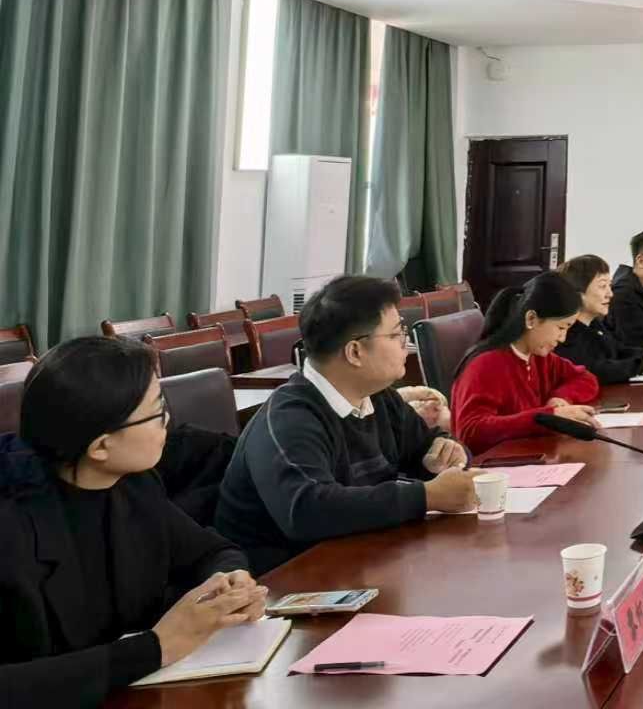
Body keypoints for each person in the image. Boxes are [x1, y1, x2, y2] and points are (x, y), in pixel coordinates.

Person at [0, 338, 268, 706]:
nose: (168, 421)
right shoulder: (11, 529)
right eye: (158, 413)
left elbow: (212, 551)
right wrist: (156, 648)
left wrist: (228, 586)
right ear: (101, 446)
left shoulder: (132, 484)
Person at [216, 275, 478, 574]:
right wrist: (427, 496)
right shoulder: (289, 418)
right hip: (284, 583)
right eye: (396, 335)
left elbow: (427, 445)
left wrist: (447, 453)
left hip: (359, 561)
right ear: (355, 352)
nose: (405, 345)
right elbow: (308, 509)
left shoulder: (378, 397)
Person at [450, 271, 600, 453]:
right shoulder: (486, 364)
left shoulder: (539, 357)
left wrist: (560, 399)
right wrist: (548, 417)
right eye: (561, 327)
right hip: (494, 464)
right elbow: (471, 432)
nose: (562, 338)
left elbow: (586, 378)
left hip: (529, 455)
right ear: (531, 319)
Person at [559, 253, 643, 384]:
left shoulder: (594, 324)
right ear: (578, 293)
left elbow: (618, 350)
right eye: (602, 286)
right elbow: (597, 371)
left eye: (609, 285)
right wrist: (642, 362)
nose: (610, 294)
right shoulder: (567, 333)